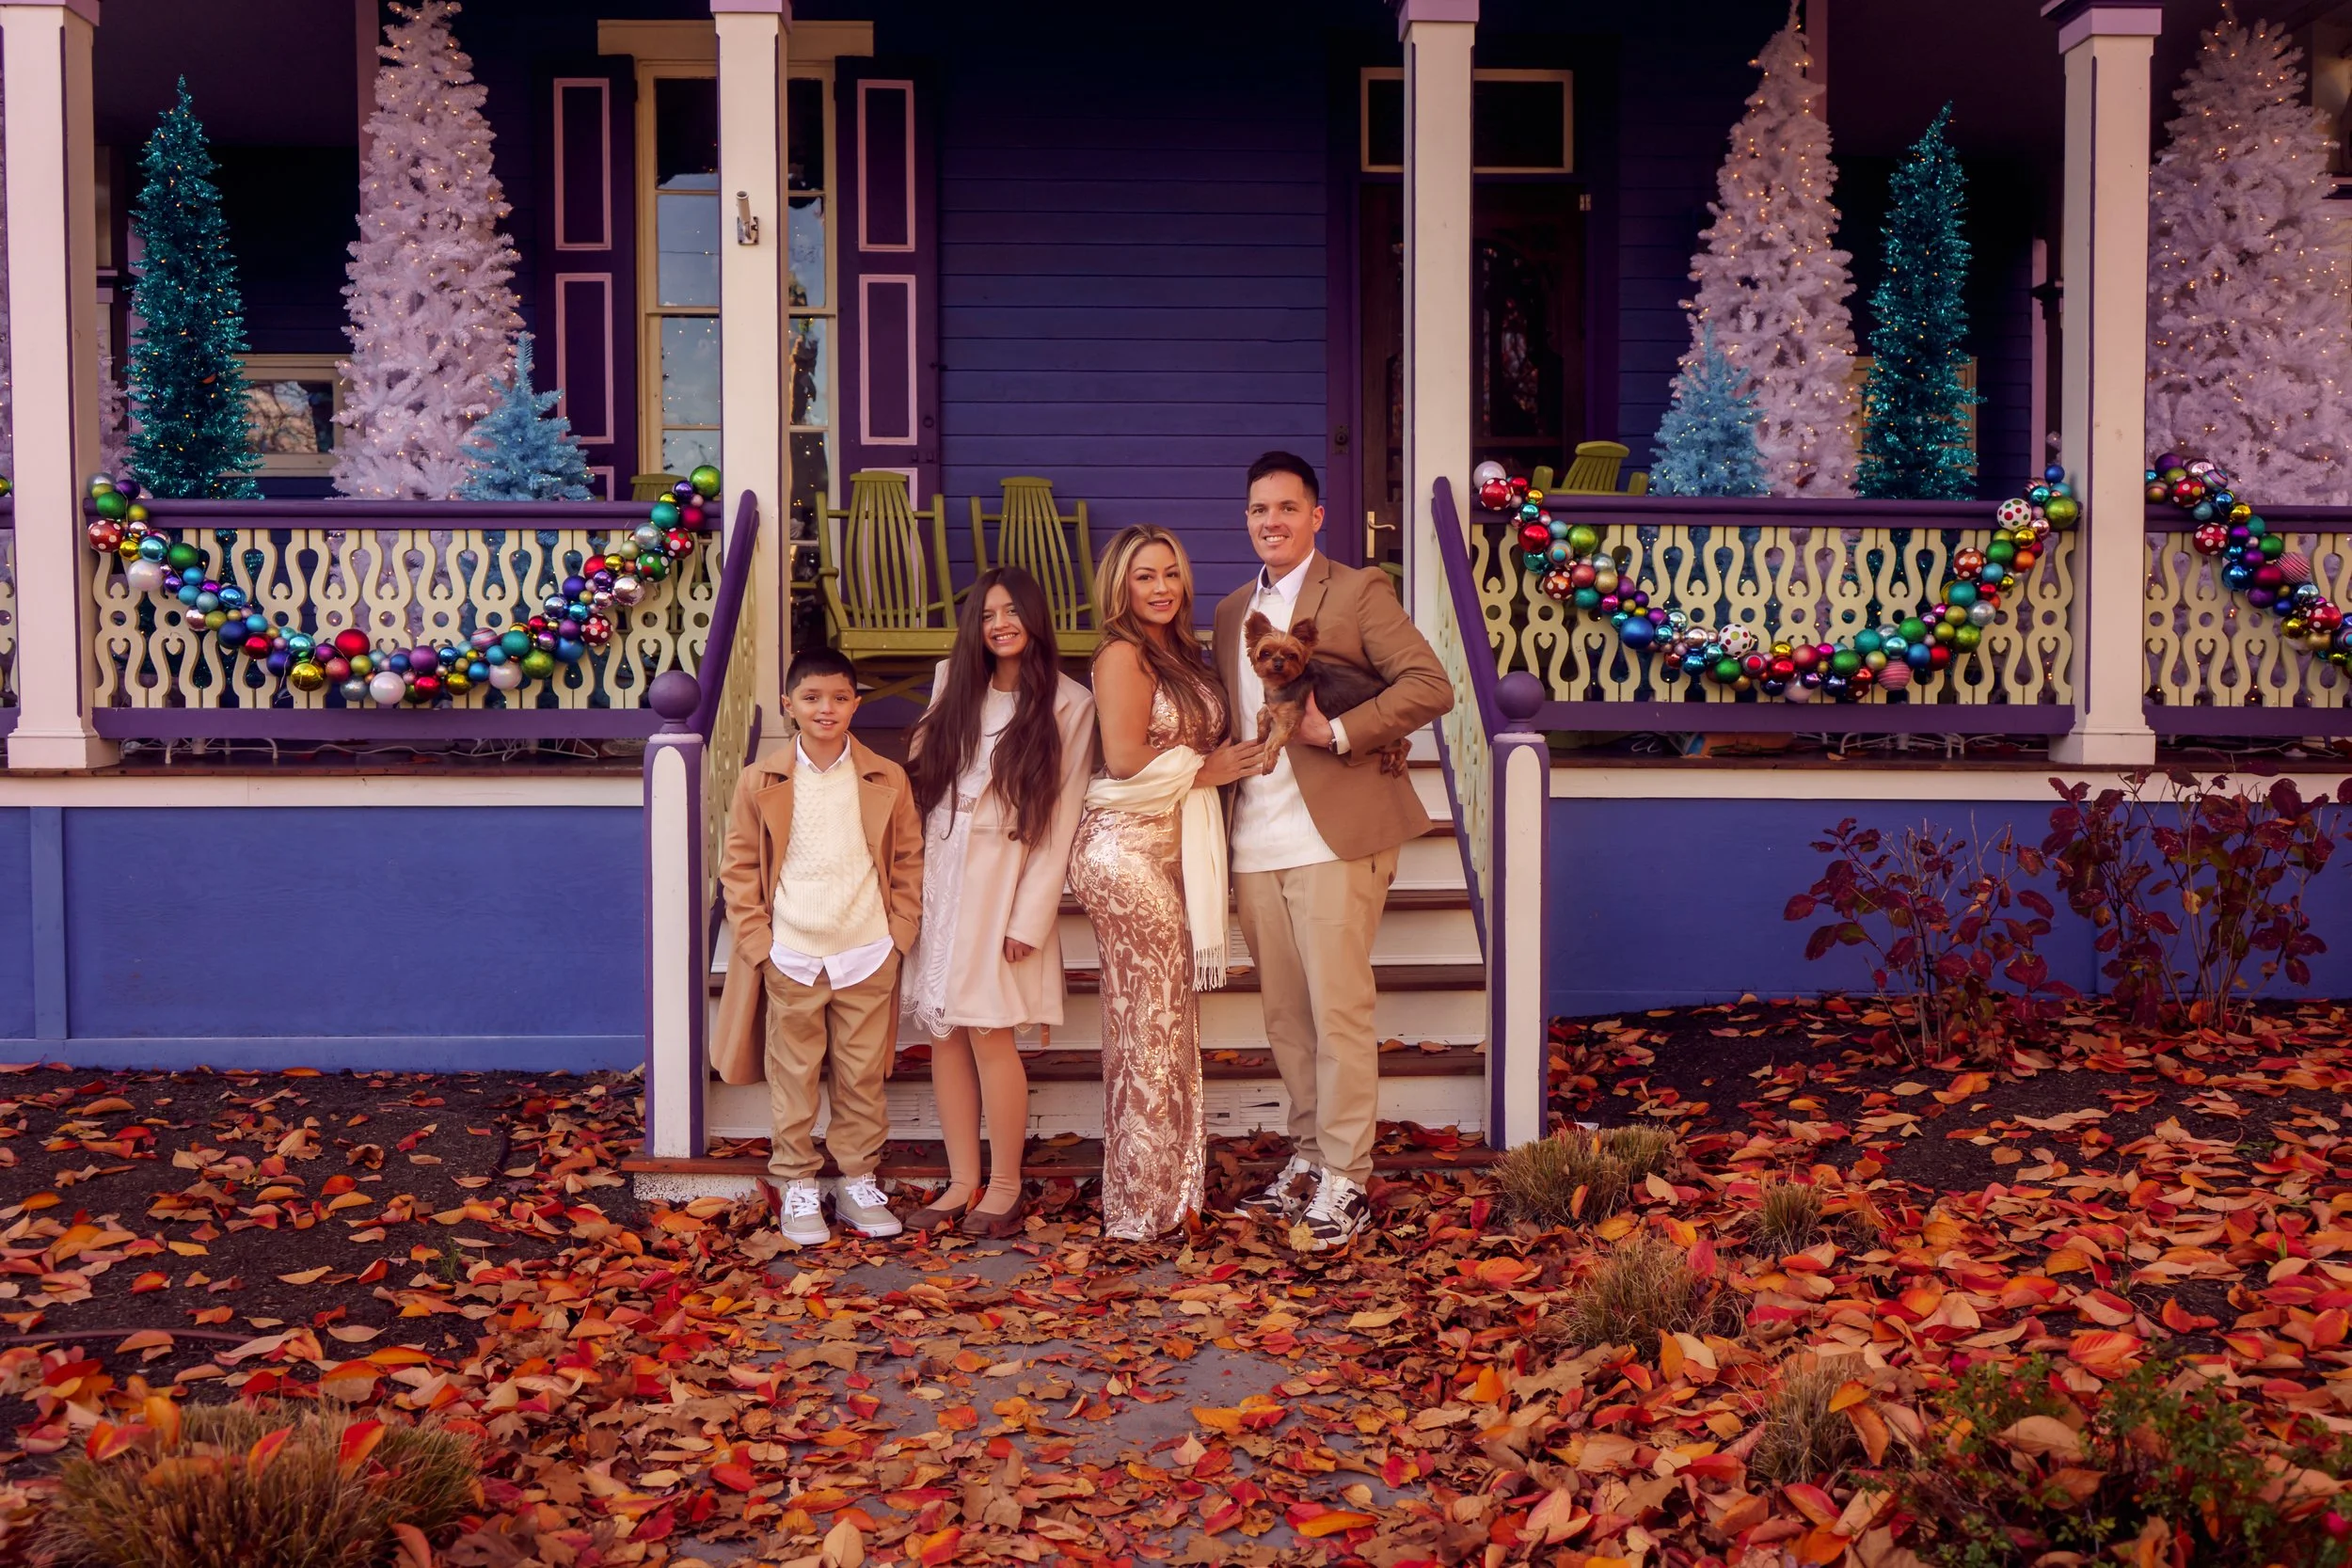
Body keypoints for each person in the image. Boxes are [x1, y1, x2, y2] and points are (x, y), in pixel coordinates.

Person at [1211, 451, 1454, 1251]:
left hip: (1333, 836)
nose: (1270, 521)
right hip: (1256, 840)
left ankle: (1348, 1175)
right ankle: (1310, 1156)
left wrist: (1338, 731)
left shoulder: (1355, 590)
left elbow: (1428, 684)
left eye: (1286, 507)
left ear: (1316, 516)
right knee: (1286, 1017)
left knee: (1338, 1011)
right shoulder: (1229, 614)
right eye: (1257, 510)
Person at [1067, 526, 1264, 1242]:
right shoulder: (1123, 652)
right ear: (1120, 585)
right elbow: (1122, 758)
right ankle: (1138, 1207)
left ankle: (1173, 1195)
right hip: (1124, 853)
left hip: (1169, 848)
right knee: (1149, 1026)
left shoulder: (1184, 652)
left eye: (1171, 573)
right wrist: (1204, 769)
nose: (1160, 587)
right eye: (1144, 575)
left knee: (1167, 1022)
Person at [899, 567, 1096, 1240]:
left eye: (1012, 611)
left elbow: (1063, 815)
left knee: (989, 1029)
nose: (1000, 623)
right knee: (944, 1029)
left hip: (1003, 878)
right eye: (987, 614)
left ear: (1034, 618)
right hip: (941, 869)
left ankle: (1006, 1184)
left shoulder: (1070, 702)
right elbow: (925, 772)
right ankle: (961, 1181)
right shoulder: (953, 682)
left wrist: (1030, 916)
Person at [713, 647, 924, 1247]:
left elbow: (909, 859)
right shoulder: (764, 780)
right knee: (795, 1073)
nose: (825, 708)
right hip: (794, 953)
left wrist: (897, 935)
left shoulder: (886, 777)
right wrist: (760, 943)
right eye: (811, 698)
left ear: (856, 703)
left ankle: (857, 1177)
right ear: (789, 705)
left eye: (838, 697)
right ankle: (798, 1183)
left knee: (862, 1075)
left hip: (866, 949)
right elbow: (740, 865)